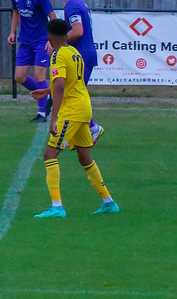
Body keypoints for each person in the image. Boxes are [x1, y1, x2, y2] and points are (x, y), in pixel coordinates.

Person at [30, 19, 119, 218]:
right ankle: (108, 202)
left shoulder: (58, 55)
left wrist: (53, 119)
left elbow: (61, 85)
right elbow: (69, 82)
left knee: (49, 154)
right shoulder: (74, 52)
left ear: (51, 36)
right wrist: (46, 90)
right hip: (85, 107)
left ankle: (57, 207)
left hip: (72, 111)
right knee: (84, 157)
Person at [55, 0, 104, 144]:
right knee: (74, 94)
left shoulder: (72, 5)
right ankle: (88, 130)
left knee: (73, 95)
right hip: (83, 54)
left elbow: (78, 31)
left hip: (82, 56)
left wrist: (59, 42)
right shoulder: (77, 2)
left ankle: (91, 129)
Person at [8, 0, 57, 122]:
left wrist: (52, 39)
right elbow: (16, 13)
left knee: (39, 76)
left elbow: (53, 17)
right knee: (19, 77)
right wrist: (12, 32)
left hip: (41, 42)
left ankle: (42, 113)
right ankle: (47, 95)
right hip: (25, 42)